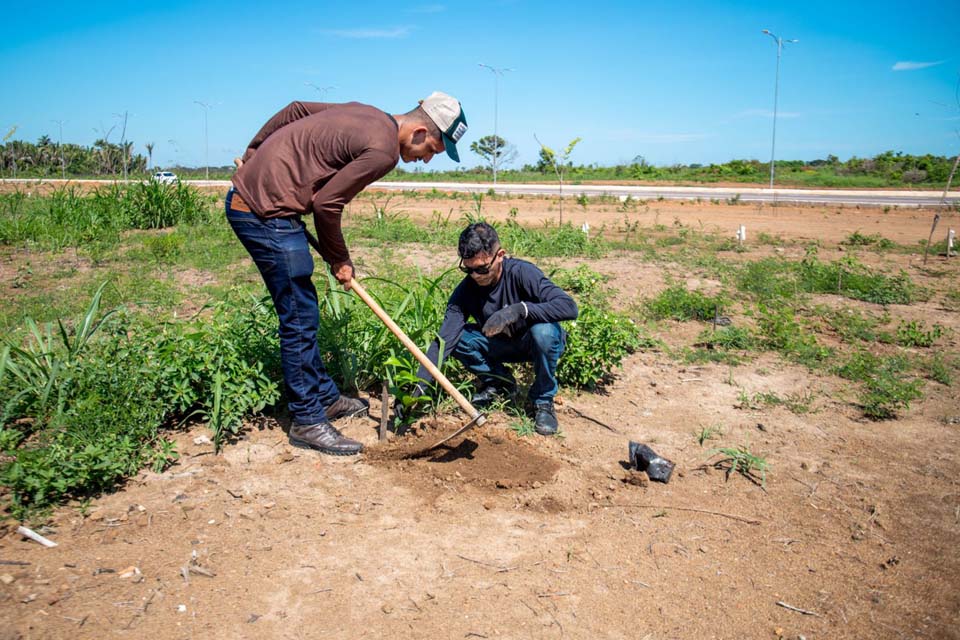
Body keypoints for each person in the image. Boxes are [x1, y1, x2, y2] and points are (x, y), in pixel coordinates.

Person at [226, 92, 468, 455]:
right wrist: (340, 259)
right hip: (263, 213)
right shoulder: (384, 151)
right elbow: (327, 203)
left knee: (304, 310)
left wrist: (253, 152)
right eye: (433, 149)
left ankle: (323, 397)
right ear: (419, 132)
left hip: (272, 209)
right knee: (298, 315)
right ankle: (308, 419)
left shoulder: (367, 113)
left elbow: (297, 109)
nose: (427, 160)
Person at [411, 222, 578, 435]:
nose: (475, 276)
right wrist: (418, 385)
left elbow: (569, 307)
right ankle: (500, 383)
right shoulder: (466, 290)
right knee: (459, 338)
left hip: (534, 343)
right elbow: (444, 340)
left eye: (482, 268)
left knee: (543, 332)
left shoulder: (522, 273)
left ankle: (543, 400)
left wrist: (519, 310)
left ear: (500, 255)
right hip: (500, 345)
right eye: (468, 269)